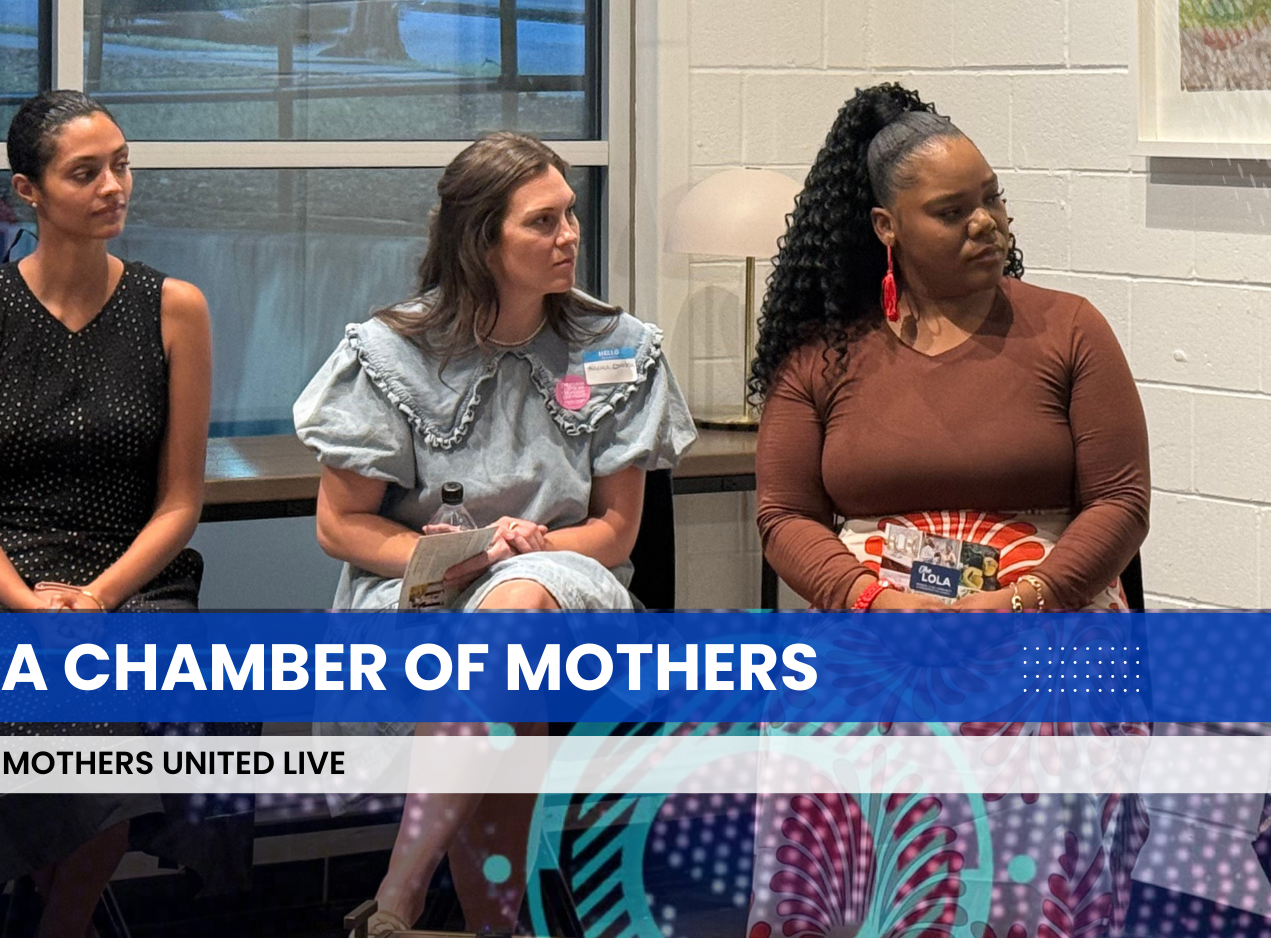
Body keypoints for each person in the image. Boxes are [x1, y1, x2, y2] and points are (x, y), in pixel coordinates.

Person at [293, 131, 695, 935]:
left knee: (515, 613)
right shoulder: (390, 351)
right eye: (543, 223)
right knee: (501, 645)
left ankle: (399, 898)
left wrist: (523, 554)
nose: (570, 236)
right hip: (423, 587)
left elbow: (615, 534)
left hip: (570, 581)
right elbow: (341, 526)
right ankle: (494, 927)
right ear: (481, 240)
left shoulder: (616, 347)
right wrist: (467, 555)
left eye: (571, 216)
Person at [0, 90, 228, 937]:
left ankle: (58, 923)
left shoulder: (175, 307)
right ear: (26, 192)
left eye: (122, 164)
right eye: (87, 172)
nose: (115, 186)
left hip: (130, 574)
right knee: (41, 696)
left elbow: (181, 501)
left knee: (138, 699)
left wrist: (99, 598)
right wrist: (30, 604)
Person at [751, 82, 1147, 614]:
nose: (986, 222)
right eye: (950, 211)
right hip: (876, 624)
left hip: (1050, 616)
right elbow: (785, 516)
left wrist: (1023, 600)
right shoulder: (822, 354)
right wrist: (869, 599)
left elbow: (1120, 502)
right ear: (886, 227)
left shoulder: (1072, 328)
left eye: (991, 197)